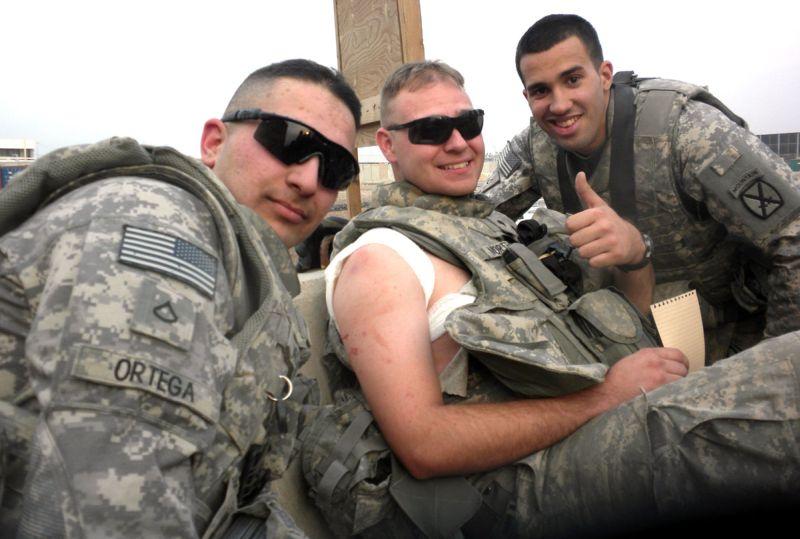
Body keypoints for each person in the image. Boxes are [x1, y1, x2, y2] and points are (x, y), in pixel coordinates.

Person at [301, 61, 800, 538]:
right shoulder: (382, 261)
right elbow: (423, 445)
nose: (457, 143)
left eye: (468, 124)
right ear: (388, 144)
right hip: (513, 489)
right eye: (431, 130)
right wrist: (606, 396)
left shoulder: (488, 228)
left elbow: (625, 319)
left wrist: (634, 256)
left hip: (586, 430)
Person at [0, 58, 360, 537]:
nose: (309, 181)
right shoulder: (159, 229)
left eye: (335, 168)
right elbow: (114, 510)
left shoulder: (244, 265)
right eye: (290, 141)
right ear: (214, 142)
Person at [480, 14, 800, 361]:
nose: (559, 105)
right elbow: (476, 215)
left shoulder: (688, 131)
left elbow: (793, 236)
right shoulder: (536, 146)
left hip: (731, 331)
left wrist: (775, 362)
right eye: (541, 90)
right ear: (526, 96)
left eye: (572, 80)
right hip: (618, 330)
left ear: (604, 76)